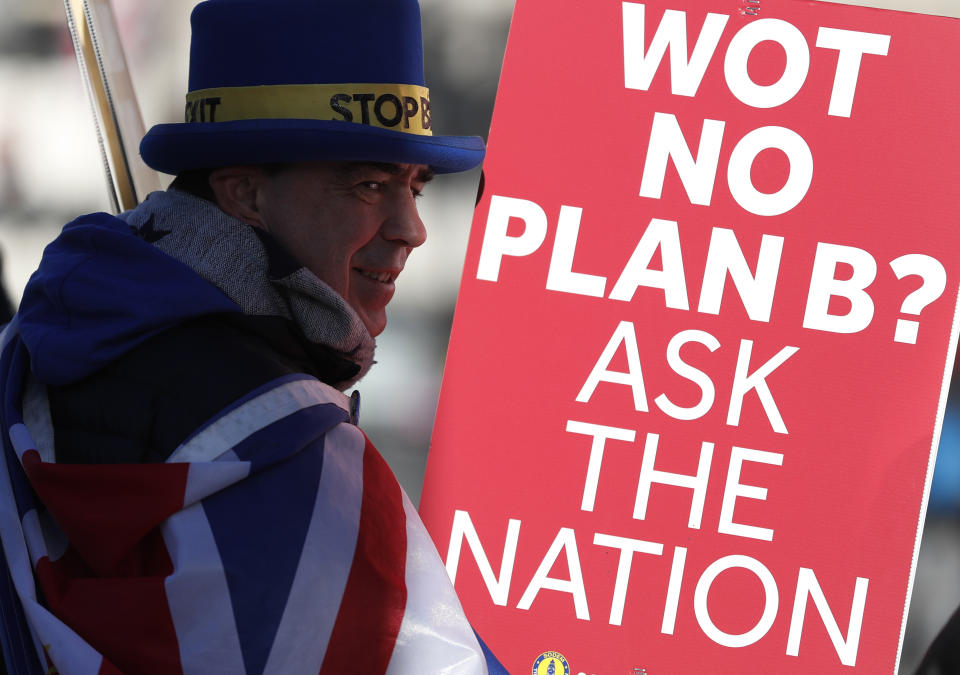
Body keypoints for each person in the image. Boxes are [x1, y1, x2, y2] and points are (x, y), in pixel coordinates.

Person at [0, 0, 507, 673]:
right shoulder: (308, 466)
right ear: (242, 193)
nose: (410, 227)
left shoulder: (24, 356)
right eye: (368, 183)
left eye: (413, 186)